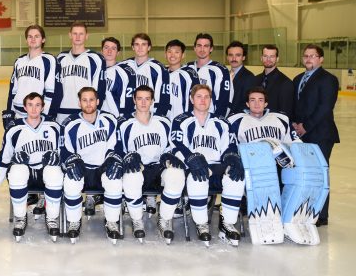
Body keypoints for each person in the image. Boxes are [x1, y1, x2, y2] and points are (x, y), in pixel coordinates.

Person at [171, 84, 245, 246]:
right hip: (193, 168)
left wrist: (232, 158)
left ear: (211, 100)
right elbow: (176, 145)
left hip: (217, 167)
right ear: (191, 99)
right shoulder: (181, 120)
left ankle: (228, 223)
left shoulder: (221, 122)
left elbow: (229, 146)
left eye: (206, 97)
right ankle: (201, 223)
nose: (203, 100)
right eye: (199, 96)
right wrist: (191, 159)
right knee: (198, 178)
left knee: (236, 177)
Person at [117, 85, 184, 243]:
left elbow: (172, 147)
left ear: (152, 101)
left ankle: (165, 219)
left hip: (158, 169)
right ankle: (137, 220)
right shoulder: (124, 123)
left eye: (147, 99)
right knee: (131, 175)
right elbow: (118, 149)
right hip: (137, 169)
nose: (143, 102)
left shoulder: (164, 122)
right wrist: (127, 157)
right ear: (134, 100)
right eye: (139, 98)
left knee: (177, 174)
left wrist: (168, 155)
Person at [0, 92, 62, 242]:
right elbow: (4, 156)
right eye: (30, 105)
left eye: (38, 105)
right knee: (17, 170)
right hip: (26, 176)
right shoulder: (14, 129)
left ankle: (52, 218)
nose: (34, 109)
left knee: (54, 171)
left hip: (45, 174)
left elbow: (65, 151)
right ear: (24, 107)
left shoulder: (54, 127)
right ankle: (20, 217)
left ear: (43, 107)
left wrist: (58, 158)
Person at [61, 87, 122, 243]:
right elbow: (64, 150)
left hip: (103, 167)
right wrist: (72, 160)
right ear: (79, 103)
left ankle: (112, 222)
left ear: (98, 101)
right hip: (83, 168)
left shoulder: (109, 120)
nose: (88, 104)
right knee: (70, 182)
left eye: (91, 100)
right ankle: (74, 221)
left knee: (114, 181)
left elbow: (116, 145)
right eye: (84, 100)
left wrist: (113, 158)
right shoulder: (70, 123)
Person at [292, 44, 339, 226]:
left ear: (321, 59)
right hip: (301, 134)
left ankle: (321, 214)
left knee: (320, 174)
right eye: (306, 56)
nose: (308, 59)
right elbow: (295, 105)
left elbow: (325, 108)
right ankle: (305, 209)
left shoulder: (328, 80)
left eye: (313, 56)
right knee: (304, 174)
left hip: (321, 134)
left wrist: (306, 126)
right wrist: (295, 124)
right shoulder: (297, 79)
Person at [4, 25, 59, 124]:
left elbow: (52, 92)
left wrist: (46, 115)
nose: (33, 39)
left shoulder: (49, 60)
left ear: (43, 40)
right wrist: (9, 112)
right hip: (18, 114)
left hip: (37, 116)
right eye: (30, 36)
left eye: (37, 36)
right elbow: (13, 90)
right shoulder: (19, 61)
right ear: (26, 40)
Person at [54, 22, 106, 124]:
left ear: (86, 36)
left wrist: (95, 109)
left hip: (86, 111)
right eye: (75, 33)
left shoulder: (96, 58)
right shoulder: (60, 58)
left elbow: (100, 87)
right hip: (62, 110)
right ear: (70, 35)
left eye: (81, 34)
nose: (78, 37)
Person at [120, 33, 170, 116]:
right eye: (137, 44)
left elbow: (164, 97)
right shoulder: (123, 66)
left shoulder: (159, 68)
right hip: (126, 114)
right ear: (132, 47)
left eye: (143, 44)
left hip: (149, 115)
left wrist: (158, 115)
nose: (140, 48)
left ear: (149, 47)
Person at [228, 87, 298, 145]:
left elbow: (296, 144)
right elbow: (231, 147)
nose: (257, 104)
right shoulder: (235, 121)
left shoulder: (281, 119)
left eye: (260, 100)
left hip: (277, 160)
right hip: (250, 160)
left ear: (265, 104)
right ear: (247, 104)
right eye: (252, 100)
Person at [187, 33, 232, 118]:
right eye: (199, 45)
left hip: (211, 119)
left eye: (206, 46)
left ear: (211, 49)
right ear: (194, 48)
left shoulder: (221, 70)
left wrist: (218, 119)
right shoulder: (187, 68)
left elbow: (226, 98)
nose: (202, 49)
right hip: (189, 118)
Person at [100, 36, 136, 118]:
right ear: (101, 51)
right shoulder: (95, 70)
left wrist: (124, 117)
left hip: (117, 118)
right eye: (106, 47)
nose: (109, 51)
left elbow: (129, 99)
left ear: (118, 52)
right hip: (97, 118)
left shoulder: (125, 72)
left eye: (113, 48)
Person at [255, 44, 294, 117]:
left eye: (272, 56)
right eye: (265, 56)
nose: (268, 59)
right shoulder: (255, 79)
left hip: (274, 126)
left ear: (277, 59)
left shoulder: (286, 83)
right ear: (261, 58)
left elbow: (285, 113)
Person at [165, 39, 199, 121]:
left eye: (177, 52)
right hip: (165, 120)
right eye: (169, 52)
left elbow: (196, 96)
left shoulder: (190, 73)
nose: (172, 55)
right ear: (165, 54)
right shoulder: (161, 73)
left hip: (184, 120)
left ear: (183, 55)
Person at [226, 40, 255, 115]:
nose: (234, 58)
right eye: (231, 55)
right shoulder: (224, 75)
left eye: (238, 55)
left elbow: (247, 104)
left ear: (243, 57)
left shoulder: (250, 77)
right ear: (227, 57)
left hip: (238, 119)